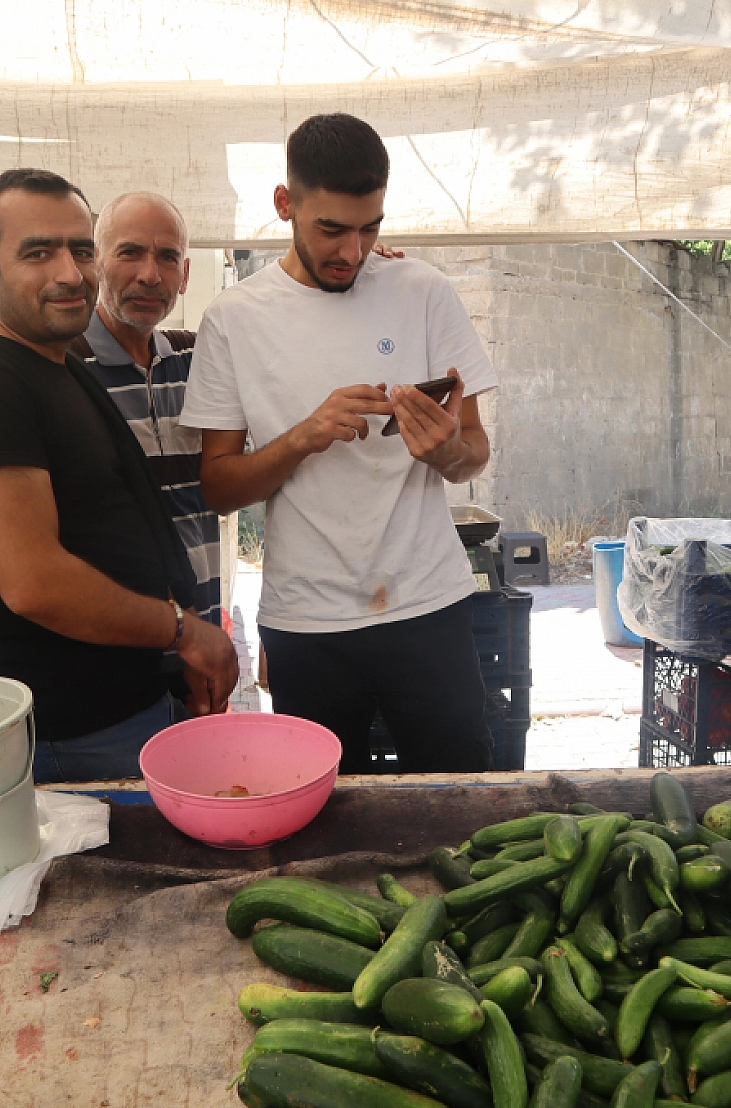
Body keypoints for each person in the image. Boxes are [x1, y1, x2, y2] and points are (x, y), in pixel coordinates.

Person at [181, 113, 499, 774]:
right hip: (308, 622)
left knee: (458, 796)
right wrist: (303, 436)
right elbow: (218, 485)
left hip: (429, 605)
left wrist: (442, 450)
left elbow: (474, 452)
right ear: (284, 205)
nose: (352, 252)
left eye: (370, 227)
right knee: (320, 808)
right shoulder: (234, 319)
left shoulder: (423, 292)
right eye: (331, 229)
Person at [0, 168, 237, 783]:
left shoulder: (61, 370)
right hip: (71, 731)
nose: (68, 273)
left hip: (125, 708)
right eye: (37, 252)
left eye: (80, 250)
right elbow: (35, 583)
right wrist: (181, 631)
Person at [73, 192, 221, 626]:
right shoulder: (64, 367)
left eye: (168, 257)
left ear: (186, 273)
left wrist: (365, 280)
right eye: (130, 253)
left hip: (204, 633)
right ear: (96, 262)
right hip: (120, 644)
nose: (150, 275)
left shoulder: (197, 358)